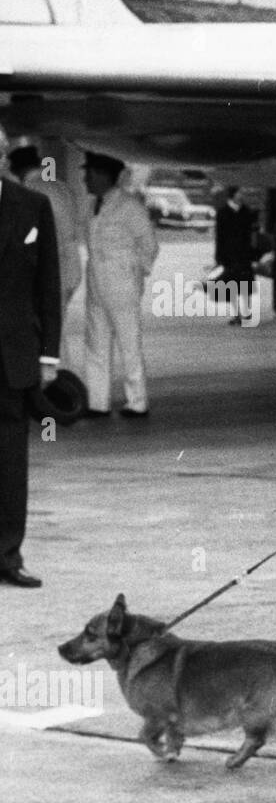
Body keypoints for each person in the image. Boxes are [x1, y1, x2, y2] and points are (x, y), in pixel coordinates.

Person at [0, 126, 61, 587]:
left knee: (10, 464)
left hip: (12, 357)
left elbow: (48, 286)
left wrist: (49, 355)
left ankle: (7, 557)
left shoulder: (32, 206)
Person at [82, 152, 159, 418]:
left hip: (122, 286)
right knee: (96, 344)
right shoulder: (94, 204)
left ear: (103, 175)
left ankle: (137, 401)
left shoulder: (129, 206)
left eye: (89, 173)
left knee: (129, 344)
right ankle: (97, 402)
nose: (85, 178)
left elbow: (149, 245)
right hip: (96, 284)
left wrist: (135, 273)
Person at [7, 142, 84, 368]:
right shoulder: (58, 186)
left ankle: (60, 392)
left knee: (45, 336)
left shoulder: (29, 193)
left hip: (46, 272)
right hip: (70, 268)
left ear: (18, 170)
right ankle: (63, 386)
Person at [214, 186, 259, 325]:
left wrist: (254, 253)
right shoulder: (222, 213)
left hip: (245, 253)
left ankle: (246, 312)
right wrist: (219, 256)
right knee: (232, 285)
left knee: (246, 284)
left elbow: (252, 234)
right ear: (233, 195)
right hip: (230, 254)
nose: (242, 195)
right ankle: (236, 314)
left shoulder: (246, 212)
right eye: (240, 193)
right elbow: (219, 237)